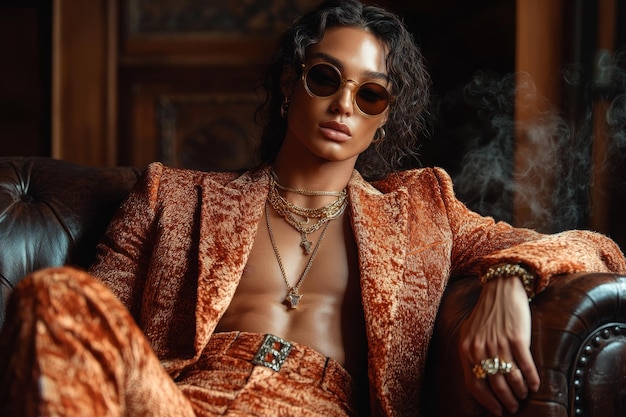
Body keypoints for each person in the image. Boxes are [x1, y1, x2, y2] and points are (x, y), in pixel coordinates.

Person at [1, 1, 625, 416]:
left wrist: (507, 279)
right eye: (325, 78)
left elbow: (597, 248)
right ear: (286, 86)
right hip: (176, 400)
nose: (344, 103)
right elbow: (95, 334)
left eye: (371, 93)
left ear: (383, 121)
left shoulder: (420, 212)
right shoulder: (173, 196)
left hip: (319, 404)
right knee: (52, 296)